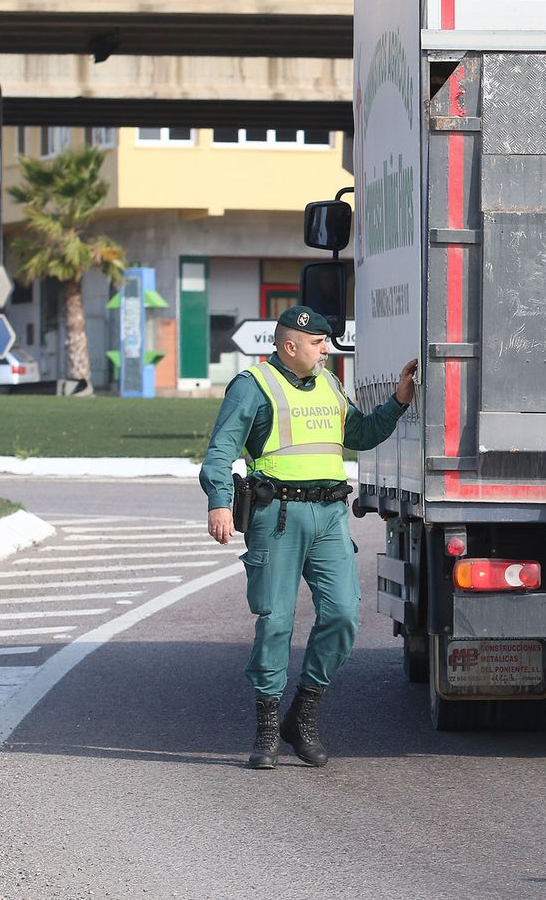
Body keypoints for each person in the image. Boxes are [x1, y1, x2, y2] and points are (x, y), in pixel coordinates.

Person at [200, 305, 417, 769]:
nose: (326, 351)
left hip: (329, 517)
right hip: (276, 517)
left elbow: (358, 434)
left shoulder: (330, 384)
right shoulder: (253, 386)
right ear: (289, 345)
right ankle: (266, 723)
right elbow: (219, 451)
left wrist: (398, 401)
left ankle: (305, 711)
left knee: (342, 614)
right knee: (276, 621)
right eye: (318, 345)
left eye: (326, 344)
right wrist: (219, 501)